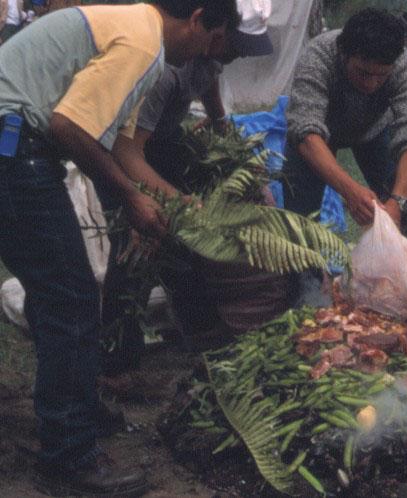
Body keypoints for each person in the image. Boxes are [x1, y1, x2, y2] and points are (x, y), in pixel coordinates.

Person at [0, 0, 237, 495]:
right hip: (13, 143)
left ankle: (73, 407)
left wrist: (164, 205)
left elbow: (125, 151)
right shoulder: (142, 42)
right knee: (71, 298)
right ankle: (69, 455)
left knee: (60, 294)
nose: (209, 55)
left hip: (20, 141)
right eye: (213, 39)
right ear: (195, 19)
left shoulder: (136, 35)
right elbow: (69, 126)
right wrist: (130, 199)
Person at [104, 0, 280, 368]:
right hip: (124, 153)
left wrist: (233, 149)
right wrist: (170, 200)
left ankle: (201, 336)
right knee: (136, 249)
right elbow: (129, 149)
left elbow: (213, 98)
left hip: (163, 142)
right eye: (234, 47)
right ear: (218, 35)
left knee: (186, 244)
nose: (236, 58)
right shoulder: (168, 72)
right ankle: (117, 359)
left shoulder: (212, 57)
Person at [282, 7, 407, 244]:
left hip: (374, 130)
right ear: (343, 53)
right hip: (317, 135)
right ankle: (303, 276)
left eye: (381, 76)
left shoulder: (405, 66)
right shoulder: (318, 56)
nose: (371, 83)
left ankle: (404, 272)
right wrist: (350, 191)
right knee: (300, 218)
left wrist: (398, 201)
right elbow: (306, 130)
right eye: (362, 72)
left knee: (400, 213)